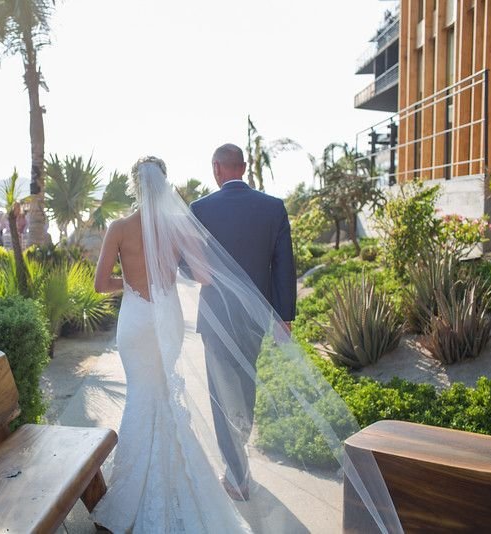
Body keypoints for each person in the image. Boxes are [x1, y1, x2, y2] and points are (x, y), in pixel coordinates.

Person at [91, 156, 398, 533]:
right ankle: (203, 471)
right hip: (168, 316)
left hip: (137, 320)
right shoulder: (177, 226)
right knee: (169, 393)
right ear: (164, 185)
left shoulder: (119, 227)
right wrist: (167, 278)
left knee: (141, 392)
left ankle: (136, 478)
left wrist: (136, 286)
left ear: (134, 185)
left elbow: (100, 284)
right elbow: (204, 275)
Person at [190, 144, 296, 499]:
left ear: (217, 169)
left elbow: (190, 266)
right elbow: (284, 266)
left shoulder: (200, 209)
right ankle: (240, 460)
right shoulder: (273, 208)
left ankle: (236, 474)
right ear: (244, 167)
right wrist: (285, 317)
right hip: (255, 318)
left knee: (220, 392)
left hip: (216, 317)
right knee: (246, 386)